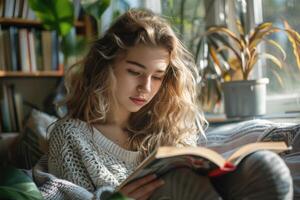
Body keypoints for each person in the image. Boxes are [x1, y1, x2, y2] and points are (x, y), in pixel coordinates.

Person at [34, 9, 293, 200]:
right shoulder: (70, 137)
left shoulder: (165, 125)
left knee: (265, 167)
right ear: (105, 67)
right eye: (135, 72)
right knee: (180, 183)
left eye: (157, 76)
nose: (146, 87)